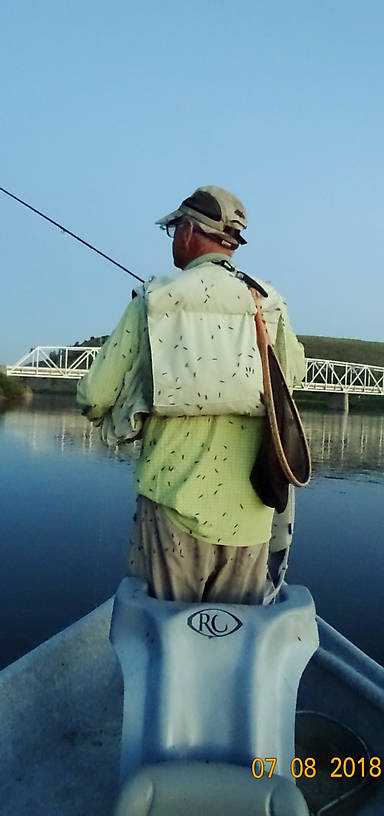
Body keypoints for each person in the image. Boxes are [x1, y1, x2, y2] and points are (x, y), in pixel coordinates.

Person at [77, 185, 305, 604]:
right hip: (252, 517)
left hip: (172, 509)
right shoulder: (269, 303)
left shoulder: (154, 298)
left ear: (187, 231)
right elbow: (294, 376)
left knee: (162, 639)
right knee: (231, 640)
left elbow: (94, 393)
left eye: (174, 231)